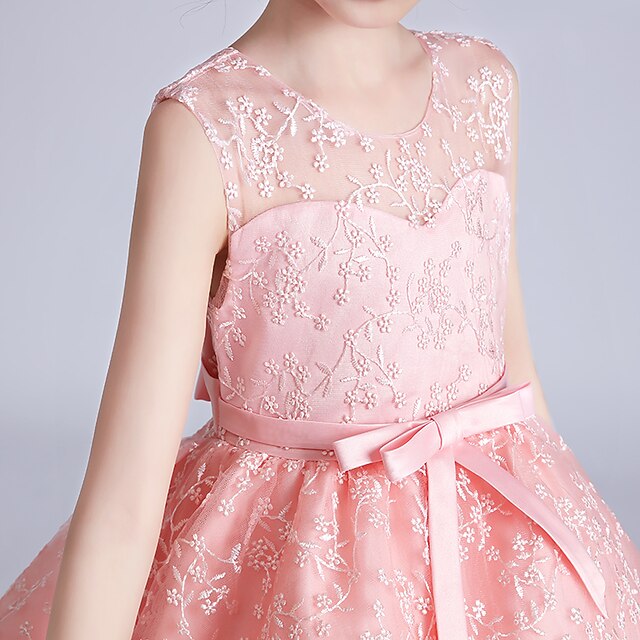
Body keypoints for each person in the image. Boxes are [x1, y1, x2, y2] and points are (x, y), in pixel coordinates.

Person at [2, 1, 640, 638]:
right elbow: (123, 506)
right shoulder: (207, 130)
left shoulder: (484, 84)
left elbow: (513, 381)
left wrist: (574, 544)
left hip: (499, 561)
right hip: (303, 571)